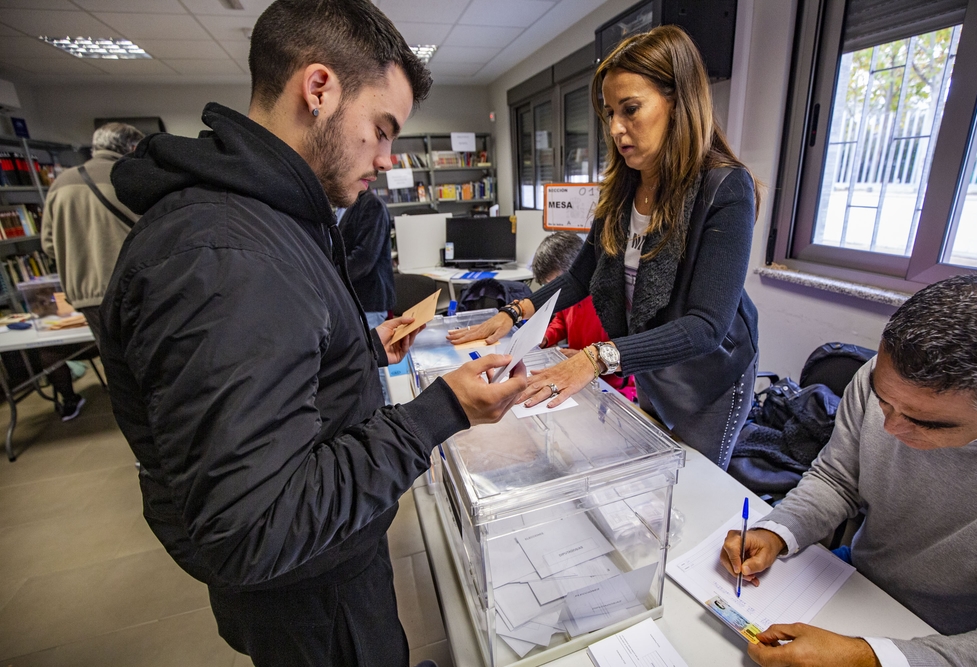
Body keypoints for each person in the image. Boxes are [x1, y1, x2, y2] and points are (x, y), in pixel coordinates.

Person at [99, 2, 527, 666]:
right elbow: (256, 524)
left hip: (329, 560)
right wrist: (442, 412)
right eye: (382, 130)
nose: (388, 159)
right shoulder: (223, 253)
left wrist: (356, 355)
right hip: (308, 597)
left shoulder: (268, 218)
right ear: (319, 88)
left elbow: (276, 365)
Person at [449, 25, 761, 469]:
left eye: (630, 109)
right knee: (656, 465)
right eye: (610, 112)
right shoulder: (623, 188)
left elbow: (706, 326)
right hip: (651, 363)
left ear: (678, 101)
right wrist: (513, 313)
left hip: (710, 378)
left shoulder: (726, 188)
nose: (616, 128)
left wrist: (594, 359)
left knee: (697, 480)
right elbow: (582, 277)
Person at [719, 275, 977, 667]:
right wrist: (777, 530)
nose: (889, 430)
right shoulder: (874, 378)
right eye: (883, 401)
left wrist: (866, 659)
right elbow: (837, 478)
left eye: (927, 423)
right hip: (857, 580)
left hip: (949, 640)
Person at [41, 122, 144, 350]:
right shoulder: (130, 178)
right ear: (131, 147)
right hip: (133, 285)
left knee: (114, 362)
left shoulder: (61, 183)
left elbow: (49, 246)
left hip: (86, 294)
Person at [532, 231, 636, 401]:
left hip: (613, 388)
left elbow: (627, 350)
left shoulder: (612, 297)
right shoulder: (567, 297)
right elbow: (561, 321)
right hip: (579, 379)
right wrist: (546, 337)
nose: (555, 292)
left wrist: (584, 358)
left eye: (556, 284)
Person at [338, 190, 396, 403]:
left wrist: (330, 275)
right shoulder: (343, 205)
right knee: (363, 362)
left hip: (369, 299)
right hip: (354, 298)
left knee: (374, 362)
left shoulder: (371, 205)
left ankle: (385, 413)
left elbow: (364, 258)